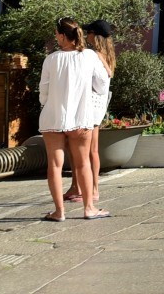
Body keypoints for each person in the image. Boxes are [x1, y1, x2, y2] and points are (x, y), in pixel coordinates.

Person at [38, 17, 110, 221]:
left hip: (53, 117)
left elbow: (43, 93)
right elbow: (102, 85)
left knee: (55, 165)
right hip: (80, 117)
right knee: (82, 163)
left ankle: (59, 212)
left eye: (56, 34)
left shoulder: (51, 59)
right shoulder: (89, 56)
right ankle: (89, 208)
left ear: (62, 36)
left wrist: (52, 102)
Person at [65, 20, 117, 206]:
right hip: (98, 106)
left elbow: (106, 75)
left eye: (89, 33)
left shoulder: (95, 55)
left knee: (84, 149)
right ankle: (84, 188)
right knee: (89, 149)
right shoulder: (108, 53)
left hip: (91, 105)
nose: (87, 36)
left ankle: (89, 189)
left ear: (95, 35)